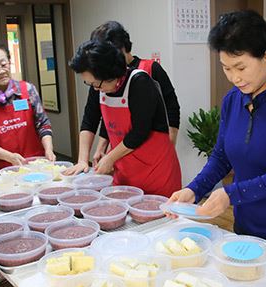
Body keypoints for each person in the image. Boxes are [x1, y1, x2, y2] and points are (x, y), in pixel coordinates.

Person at [169, 10, 266, 255]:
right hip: (248, 226)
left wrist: (230, 194)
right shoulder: (232, 100)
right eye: (226, 68)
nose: (234, 78)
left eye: (240, 67)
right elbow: (221, 156)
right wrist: (193, 190)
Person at [65, 40, 181, 197]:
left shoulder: (140, 82)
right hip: (125, 170)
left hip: (157, 171)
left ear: (109, 74)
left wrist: (110, 158)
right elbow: (89, 120)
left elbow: (140, 131)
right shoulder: (98, 86)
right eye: (89, 83)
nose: (94, 88)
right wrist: (82, 160)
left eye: (95, 83)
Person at [89, 21, 181, 165]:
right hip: (122, 155)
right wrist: (101, 147)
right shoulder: (103, 77)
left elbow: (172, 107)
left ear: (123, 47)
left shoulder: (150, 70)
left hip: (153, 154)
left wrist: (170, 144)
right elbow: (110, 117)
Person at [0, 43, 55, 169]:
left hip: (34, 163)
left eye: (4, 64)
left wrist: (48, 149)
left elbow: (43, 123)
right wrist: (9, 157)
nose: (1, 71)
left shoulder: (28, 89)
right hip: (1, 168)